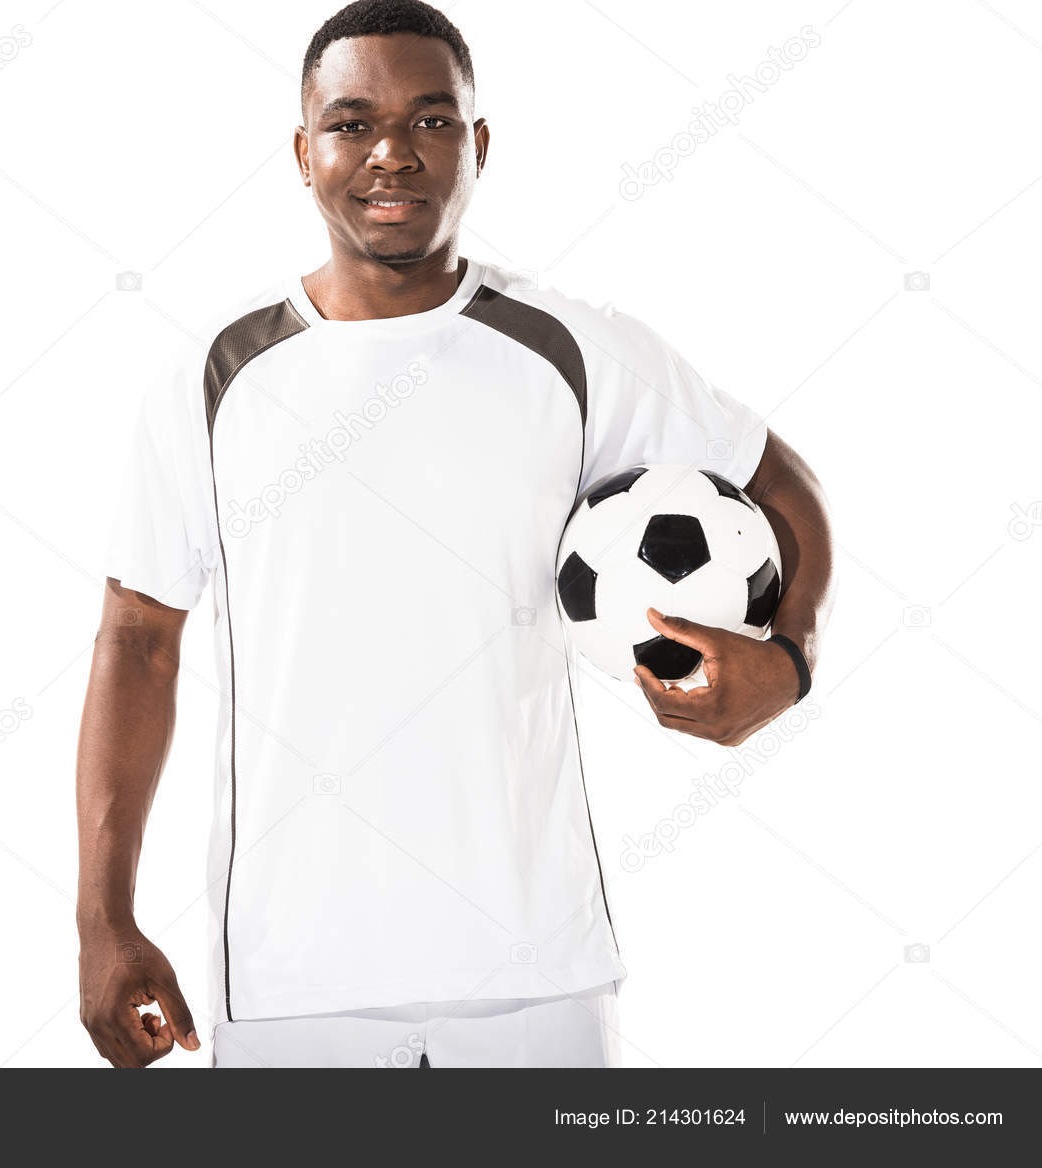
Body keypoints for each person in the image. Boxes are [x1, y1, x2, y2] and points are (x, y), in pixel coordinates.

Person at [76, 0, 834, 1068]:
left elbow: (784, 485)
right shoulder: (216, 377)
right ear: (303, 152)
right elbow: (137, 642)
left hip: (534, 977)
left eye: (432, 122)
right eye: (351, 124)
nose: (392, 154)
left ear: (477, 146)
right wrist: (102, 918)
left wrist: (791, 658)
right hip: (291, 980)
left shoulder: (572, 348)